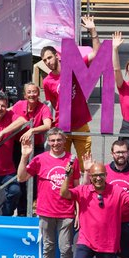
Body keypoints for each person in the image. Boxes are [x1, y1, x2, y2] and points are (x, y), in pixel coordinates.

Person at [17, 129, 80, 258]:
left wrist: (78, 212)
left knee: (66, 249)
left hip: (66, 212)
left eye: (59, 140)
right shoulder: (40, 159)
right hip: (46, 212)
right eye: (52, 140)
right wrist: (24, 156)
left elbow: (77, 188)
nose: (56, 143)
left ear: (64, 140)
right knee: (48, 247)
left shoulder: (72, 160)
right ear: (47, 142)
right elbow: (21, 177)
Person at [40, 16, 101, 160]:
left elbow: (97, 54)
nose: (47, 62)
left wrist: (93, 31)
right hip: (62, 126)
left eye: (49, 58)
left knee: (85, 164)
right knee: (62, 164)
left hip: (81, 123)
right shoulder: (47, 81)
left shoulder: (73, 66)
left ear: (56, 55)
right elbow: (54, 103)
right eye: (44, 60)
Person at [0, 82, 52, 217]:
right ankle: (22, 212)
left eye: (35, 92)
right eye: (29, 92)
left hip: (36, 147)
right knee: (20, 178)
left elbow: (48, 125)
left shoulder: (43, 108)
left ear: (38, 94)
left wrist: (32, 130)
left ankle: (33, 208)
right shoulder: (19, 105)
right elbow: (6, 112)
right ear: (25, 95)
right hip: (18, 147)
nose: (32, 94)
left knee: (34, 180)